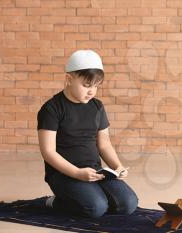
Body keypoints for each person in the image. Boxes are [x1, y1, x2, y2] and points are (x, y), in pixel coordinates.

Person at [37, 50, 138, 218]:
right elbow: (48, 152)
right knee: (96, 208)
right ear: (69, 79)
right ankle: (56, 201)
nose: (92, 91)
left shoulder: (97, 106)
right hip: (64, 174)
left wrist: (117, 167)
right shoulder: (52, 108)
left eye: (96, 86)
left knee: (128, 204)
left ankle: (88, 196)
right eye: (86, 85)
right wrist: (77, 173)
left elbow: (104, 144)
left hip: (95, 171)